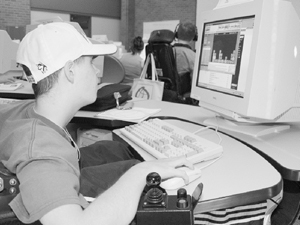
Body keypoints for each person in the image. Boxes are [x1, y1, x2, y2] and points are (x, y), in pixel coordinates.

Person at [0, 22, 194, 225]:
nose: (97, 72)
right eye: (91, 62)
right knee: (135, 170)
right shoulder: (41, 150)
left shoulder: (22, 112)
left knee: (113, 148)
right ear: (70, 71)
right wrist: (141, 173)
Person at [173, 21, 197, 92]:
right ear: (194, 37)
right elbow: (194, 83)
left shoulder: (166, 52)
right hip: (184, 98)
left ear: (176, 34)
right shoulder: (193, 56)